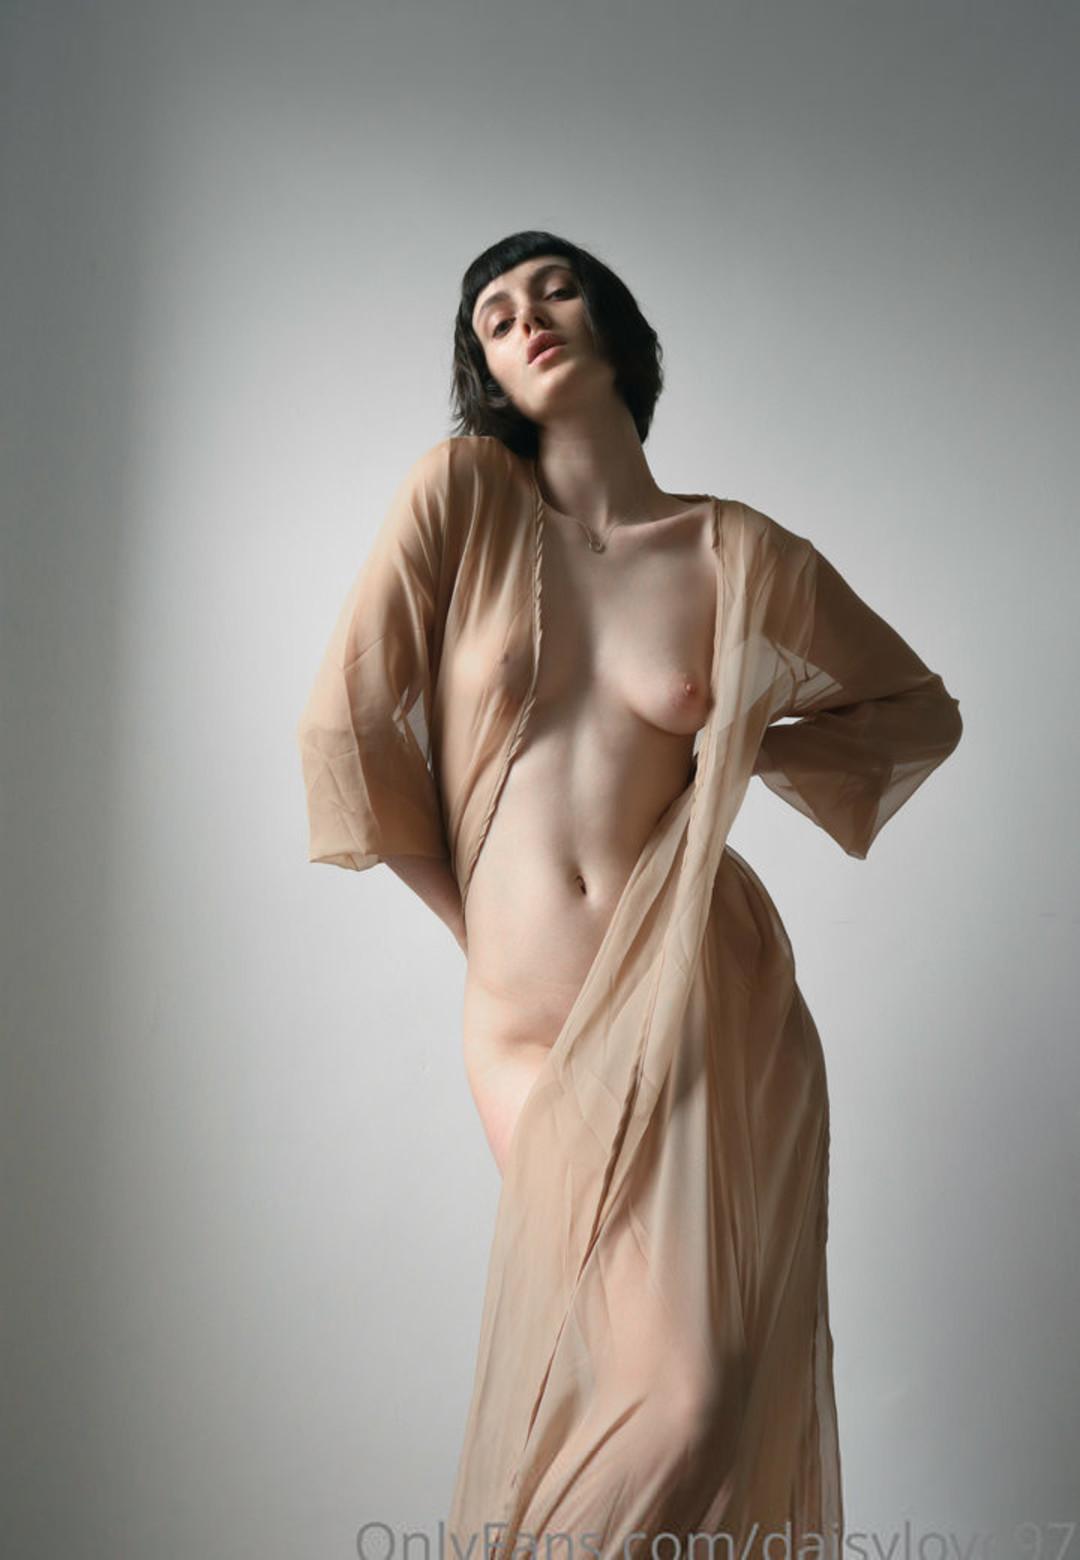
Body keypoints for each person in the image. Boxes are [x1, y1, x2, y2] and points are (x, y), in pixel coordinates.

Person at [296, 230, 963, 1558]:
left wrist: (738, 750)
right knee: (659, 1388)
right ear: (484, 370)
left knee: (696, 1393)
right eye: (494, 316)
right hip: (531, 1024)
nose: (528, 316)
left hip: (694, 1005)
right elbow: (344, 732)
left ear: (612, 322)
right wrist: (480, 932)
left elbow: (913, 710)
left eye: (553, 287)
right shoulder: (463, 496)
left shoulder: (733, 550)